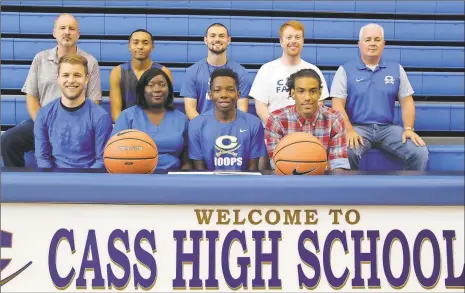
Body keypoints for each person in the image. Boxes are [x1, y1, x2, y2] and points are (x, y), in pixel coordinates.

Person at [1, 13, 102, 167]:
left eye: (71, 28)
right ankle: (21, 184)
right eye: (62, 28)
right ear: (54, 32)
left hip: (77, 124)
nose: (67, 32)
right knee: (9, 140)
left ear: (78, 34)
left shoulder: (90, 62)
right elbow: (32, 96)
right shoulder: (40, 58)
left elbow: (94, 100)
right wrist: (42, 124)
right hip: (44, 121)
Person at [331, 23, 428, 171]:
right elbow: (337, 105)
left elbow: (407, 101)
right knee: (347, 152)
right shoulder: (345, 70)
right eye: (368, 39)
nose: (372, 43)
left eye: (377, 40)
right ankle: (351, 192)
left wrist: (408, 129)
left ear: (383, 44)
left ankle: (407, 190)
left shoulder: (396, 69)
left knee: (419, 153)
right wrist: (349, 130)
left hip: (387, 129)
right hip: (358, 128)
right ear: (360, 44)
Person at [34, 55, 112, 168]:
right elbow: (42, 158)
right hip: (55, 180)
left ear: (86, 79)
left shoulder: (101, 117)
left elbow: (101, 160)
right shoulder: (43, 115)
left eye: (77, 75)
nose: (71, 80)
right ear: (58, 78)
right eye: (65, 75)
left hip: (89, 180)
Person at [265, 69, 350, 172]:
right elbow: (277, 164)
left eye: (313, 91)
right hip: (288, 181)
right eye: (301, 91)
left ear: (320, 93)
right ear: (293, 93)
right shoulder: (276, 120)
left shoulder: (335, 118)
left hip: (323, 180)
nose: (307, 97)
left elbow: (338, 163)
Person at [250, 20, 330, 126]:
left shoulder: (313, 70)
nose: (293, 41)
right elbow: (261, 107)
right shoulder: (266, 69)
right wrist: (276, 127)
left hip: (306, 132)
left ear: (303, 41)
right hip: (275, 133)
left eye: (297, 37)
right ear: (281, 41)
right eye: (289, 37)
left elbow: (319, 104)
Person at [112, 68, 191, 171]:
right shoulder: (127, 116)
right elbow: (114, 151)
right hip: (135, 176)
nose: (157, 89)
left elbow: (187, 159)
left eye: (162, 85)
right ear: (142, 89)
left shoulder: (181, 118)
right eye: (151, 85)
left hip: (172, 178)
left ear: (169, 89)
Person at [188, 68, 266, 171]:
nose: (224, 95)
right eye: (217, 90)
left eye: (230, 90)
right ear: (210, 95)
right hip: (208, 185)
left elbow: (252, 169)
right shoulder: (196, 124)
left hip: (244, 184)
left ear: (238, 95)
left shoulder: (253, 124)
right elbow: (200, 170)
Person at [181, 23, 251, 120]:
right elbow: (190, 110)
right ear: (206, 40)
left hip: (231, 129)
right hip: (202, 129)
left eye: (221, 36)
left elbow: (242, 110)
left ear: (228, 40)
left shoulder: (241, 73)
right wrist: (206, 127)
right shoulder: (192, 72)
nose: (217, 39)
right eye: (212, 36)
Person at [109, 29, 173, 122]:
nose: (140, 47)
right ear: (129, 46)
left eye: (145, 43)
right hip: (126, 127)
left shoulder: (164, 72)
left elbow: (167, 108)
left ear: (152, 47)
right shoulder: (117, 72)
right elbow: (116, 113)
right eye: (135, 42)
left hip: (155, 126)